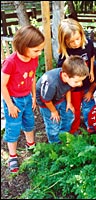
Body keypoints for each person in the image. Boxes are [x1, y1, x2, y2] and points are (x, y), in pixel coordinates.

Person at [1, 25, 45, 173]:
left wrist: (33, 96)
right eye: (36, 50)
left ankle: (31, 144)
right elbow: (2, 85)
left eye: (40, 49)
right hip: (13, 101)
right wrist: (10, 105)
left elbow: (32, 78)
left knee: (29, 122)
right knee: (13, 127)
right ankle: (12, 156)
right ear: (23, 46)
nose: (40, 53)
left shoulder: (33, 59)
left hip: (26, 97)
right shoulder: (11, 62)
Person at [36, 55, 89, 143]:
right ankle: (54, 142)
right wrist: (53, 111)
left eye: (81, 81)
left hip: (60, 98)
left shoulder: (70, 79)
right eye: (77, 81)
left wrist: (69, 102)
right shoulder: (52, 83)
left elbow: (67, 88)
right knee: (53, 123)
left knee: (69, 115)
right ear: (65, 75)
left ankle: (63, 134)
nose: (80, 84)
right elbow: (46, 100)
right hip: (47, 104)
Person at [57, 18, 95, 135]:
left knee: (89, 105)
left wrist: (91, 71)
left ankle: (91, 126)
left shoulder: (88, 44)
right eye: (71, 42)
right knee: (76, 108)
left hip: (87, 82)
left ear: (81, 34)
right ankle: (74, 129)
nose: (76, 43)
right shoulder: (65, 55)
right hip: (74, 88)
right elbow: (65, 78)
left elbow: (92, 56)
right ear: (64, 42)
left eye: (77, 39)